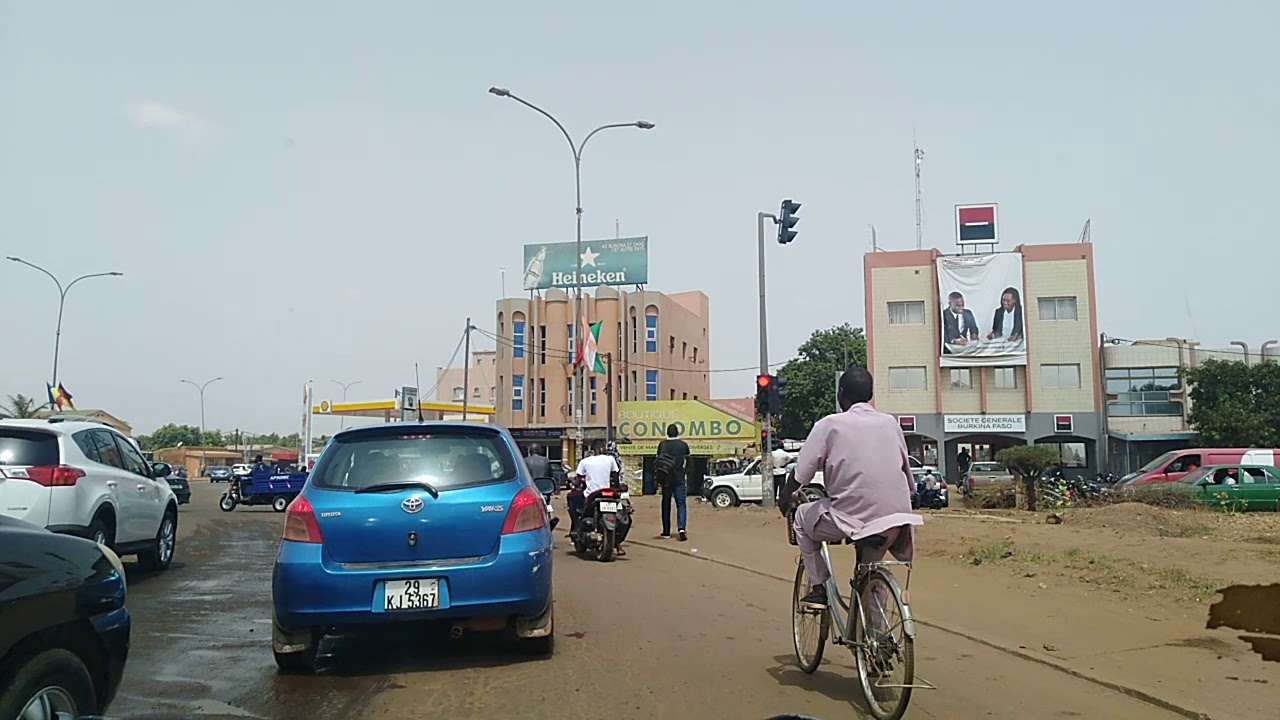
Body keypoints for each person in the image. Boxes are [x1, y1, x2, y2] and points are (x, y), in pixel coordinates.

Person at [779, 367, 923, 610]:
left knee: (802, 519)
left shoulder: (829, 425)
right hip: (894, 519)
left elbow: (802, 472)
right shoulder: (891, 424)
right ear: (870, 393)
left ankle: (818, 587)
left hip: (850, 517)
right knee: (869, 571)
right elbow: (908, 476)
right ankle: (880, 640)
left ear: (841, 394)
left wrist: (785, 496)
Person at [569, 440, 626, 555]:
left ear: (593, 450)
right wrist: (617, 488)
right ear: (602, 448)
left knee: (571, 498)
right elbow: (615, 477)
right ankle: (617, 543)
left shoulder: (585, 462)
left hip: (592, 495)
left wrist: (572, 481)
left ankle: (575, 526)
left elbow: (577, 482)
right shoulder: (610, 459)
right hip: (608, 493)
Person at [656, 423, 691, 541]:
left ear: (667, 433)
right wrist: (685, 471)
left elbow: (659, 462)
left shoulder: (662, 445)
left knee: (666, 504)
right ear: (677, 432)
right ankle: (681, 529)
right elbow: (689, 462)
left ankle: (666, 531)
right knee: (681, 503)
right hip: (679, 478)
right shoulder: (683, 445)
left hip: (666, 479)